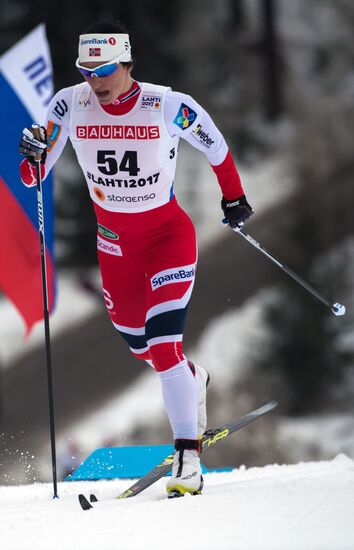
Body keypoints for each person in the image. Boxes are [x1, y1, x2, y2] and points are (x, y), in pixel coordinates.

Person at [19, 21, 253, 497]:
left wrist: (234, 197)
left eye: (104, 69)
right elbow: (31, 175)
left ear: (127, 63)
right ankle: (193, 379)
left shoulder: (167, 105)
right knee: (140, 346)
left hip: (167, 237)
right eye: (86, 69)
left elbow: (216, 145)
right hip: (114, 246)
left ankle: (188, 458)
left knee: (164, 346)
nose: (95, 81)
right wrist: (32, 154)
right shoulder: (69, 103)